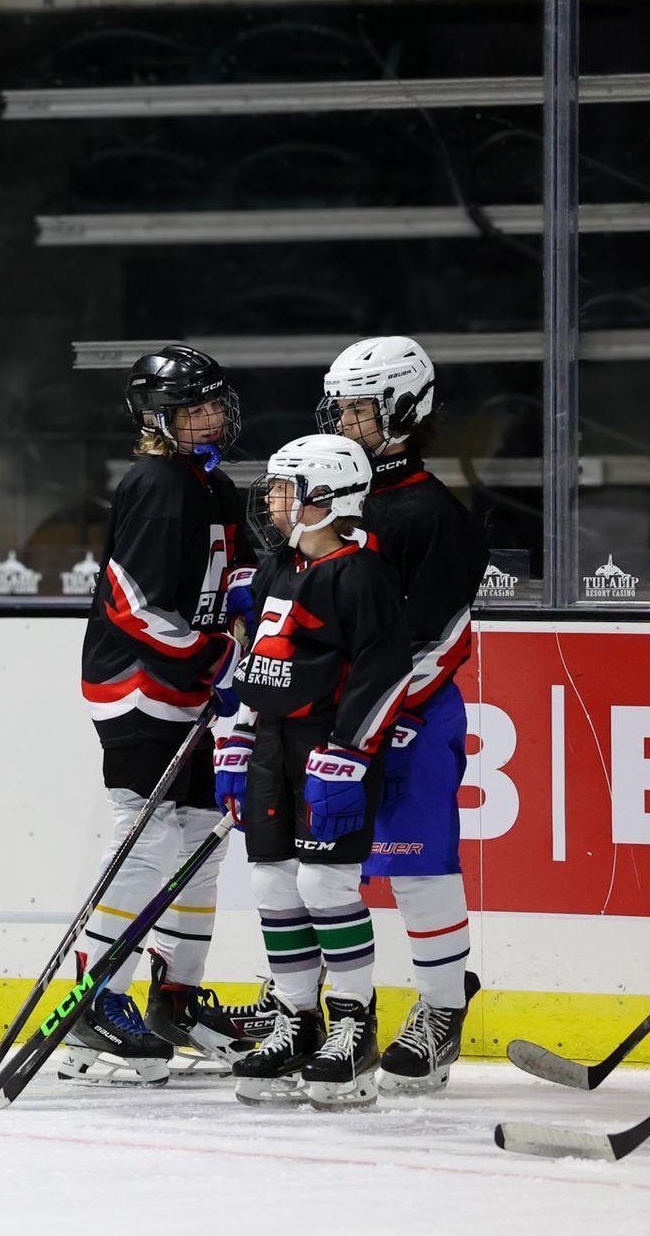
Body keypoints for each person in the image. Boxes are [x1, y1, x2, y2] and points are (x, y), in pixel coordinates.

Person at [72, 344, 264, 1086]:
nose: (212, 416)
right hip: (138, 686)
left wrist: (244, 601)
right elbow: (135, 603)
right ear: (158, 418)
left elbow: (230, 567)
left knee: (199, 844)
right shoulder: (157, 482)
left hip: (187, 685)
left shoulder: (210, 485)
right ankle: (98, 993)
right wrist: (206, 654)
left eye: (216, 403)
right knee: (148, 840)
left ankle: (174, 998)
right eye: (195, 407)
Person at [319, 336, 488, 1094]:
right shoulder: (335, 504)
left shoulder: (432, 514)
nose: (345, 421)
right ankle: (321, 1007)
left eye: (360, 408)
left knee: (418, 864)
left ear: (404, 410)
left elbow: (437, 639)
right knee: (317, 871)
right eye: (341, 407)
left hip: (411, 717)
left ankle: (444, 1006)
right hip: (340, 722)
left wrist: (369, 716)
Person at [225, 434, 411, 1110]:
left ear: (326, 499)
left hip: (331, 748)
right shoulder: (277, 565)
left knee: (325, 880)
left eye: (285, 487)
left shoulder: (362, 574)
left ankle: (353, 1024)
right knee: (272, 880)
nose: (272, 499)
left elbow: (387, 671)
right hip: (275, 742)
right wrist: (240, 737)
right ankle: (297, 1021)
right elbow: (261, 661)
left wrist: (349, 755)